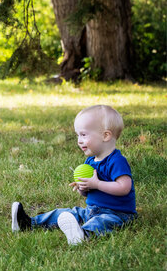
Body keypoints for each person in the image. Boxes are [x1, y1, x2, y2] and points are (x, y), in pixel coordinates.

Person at [11, 105, 136, 245]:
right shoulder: (90, 161)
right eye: (78, 135)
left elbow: (124, 187)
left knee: (103, 222)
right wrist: (84, 188)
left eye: (83, 134)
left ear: (105, 135)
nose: (79, 140)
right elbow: (89, 194)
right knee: (64, 213)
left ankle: (83, 234)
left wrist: (97, 184)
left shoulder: (117, 161)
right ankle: (29, 223)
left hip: (118, 213)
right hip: (91, 210)